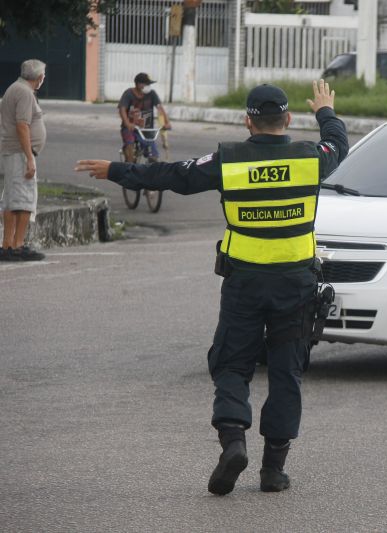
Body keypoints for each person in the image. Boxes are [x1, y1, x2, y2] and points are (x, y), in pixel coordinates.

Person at [75, 80, 348, 496]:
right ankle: (273, 470)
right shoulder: (311, 158)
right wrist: (326, 110)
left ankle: (234, 440)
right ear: (289, 119)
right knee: (286, 372)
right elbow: (338, 143)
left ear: (248, 121)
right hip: (296, 285)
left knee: (232, 365)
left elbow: (172, 175)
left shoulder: (230, 161)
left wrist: (116, 170)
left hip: (245, 284)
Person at [0, 59, 47, 261]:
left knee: (12, 198)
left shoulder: (15, 88)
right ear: (39, 78)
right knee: (24, 199)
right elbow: (22, 125)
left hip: (13, 151)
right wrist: (30, 158)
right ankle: (17, 245)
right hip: (20, 152)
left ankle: (8, 244)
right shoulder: (25, 92)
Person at [118, 72, 171, 163]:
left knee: (153, 156)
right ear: (139, 84)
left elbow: (159, 108)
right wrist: (127, 124)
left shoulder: (151, 94)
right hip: (130, 128)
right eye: (147, 84)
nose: (148, 86)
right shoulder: (128, 94)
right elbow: (122, 109)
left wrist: (166, 122)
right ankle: (129, 167)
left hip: (146, 129)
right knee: (130, 147)